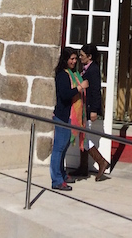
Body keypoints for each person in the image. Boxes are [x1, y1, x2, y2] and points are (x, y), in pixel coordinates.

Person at [51, 47, 87, 191]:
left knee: (64, 147)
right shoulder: (62, 75)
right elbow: (65, 94)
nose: (74, 61)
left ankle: (62, 174)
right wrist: (80, 88)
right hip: (62, 115)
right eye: (71, 59)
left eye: (75, 58)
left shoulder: (73, 73)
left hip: (70, 116)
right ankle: (56, 180)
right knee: (58, 149)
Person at [79, 43, 110, 181]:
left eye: (82, 56)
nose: (80, 58)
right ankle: (83, 166)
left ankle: (101, 161)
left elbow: (96, 91)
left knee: (84, 137)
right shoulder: (86, 69)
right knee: (82, 135)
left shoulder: (93, 70)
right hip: (83, 107)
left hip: (89, 107)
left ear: (89, 57)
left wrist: (94, 110)